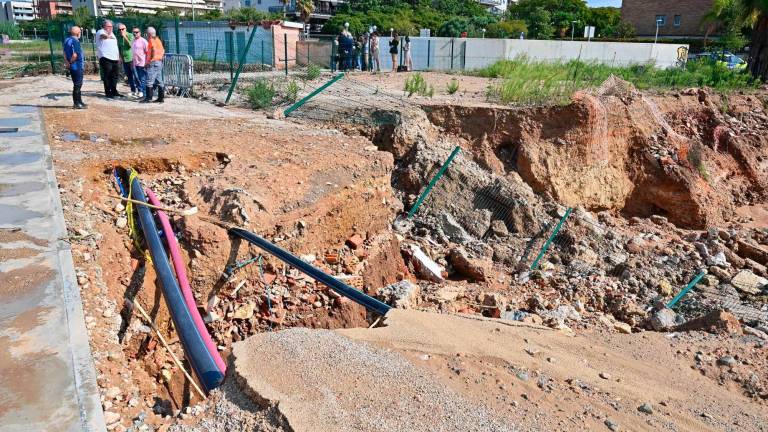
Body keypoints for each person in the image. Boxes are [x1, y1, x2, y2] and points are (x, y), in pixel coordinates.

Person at [96, 19, 121, 98]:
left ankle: (114, 91)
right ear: (104, 26)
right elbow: (102, 36)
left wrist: (118, 56)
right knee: (107, 75)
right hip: (105, 57)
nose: (110, 28)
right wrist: (107, 36)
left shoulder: (113, 34)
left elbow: (115, 47)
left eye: (111, 26)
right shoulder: (100, 31)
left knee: (115, 75)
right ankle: (108, 92)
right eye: (108, 26)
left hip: (114, 58)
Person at [63, 26, 86, 109]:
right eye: (80, 32)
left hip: (72, 66)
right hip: (77, 66)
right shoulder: (75, 41)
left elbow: (64, 53)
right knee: (78, 84)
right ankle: (76, 103)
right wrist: (71, 62)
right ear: (77, 33)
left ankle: (79, 101)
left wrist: (67, 62)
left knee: (77, 84)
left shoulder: (67, 40)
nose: (80, 33)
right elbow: (75, 54)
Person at [141, 27, 165, 103]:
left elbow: (153, 50)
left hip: (153, 62)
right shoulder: (158, 40)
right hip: (159, 62)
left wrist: (149, 61)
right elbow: (163, 50)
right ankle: (161, 98)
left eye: (146, 34)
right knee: (159, 81)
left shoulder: (151, 40)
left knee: (149, 81)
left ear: (149, 34)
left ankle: (148, 98)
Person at [116, 23, 138, 97]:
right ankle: (133, 90)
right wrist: (120, 57)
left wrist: (124, 36)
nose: (121, 31)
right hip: (124, 59)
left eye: (123, 29)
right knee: (129, 76)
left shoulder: (130, 35)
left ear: (126, 29)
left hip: (131, 59)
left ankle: (141, 90)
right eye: (120, 29)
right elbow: (119, 47)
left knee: (136, 75)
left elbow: (130, 45)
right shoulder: (118, 37)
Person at [131, 27, 148, 100]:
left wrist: (146, 62)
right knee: (136, 78)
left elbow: (147, 52)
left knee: (143, 78)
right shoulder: (133, 41)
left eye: (136, 32)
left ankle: (144, 93)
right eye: (134, 32)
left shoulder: (143, 41)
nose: (135, 33)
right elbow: (133, 52)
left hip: (142, 63)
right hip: (135, 63)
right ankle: (140, 92)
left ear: (140, 33)